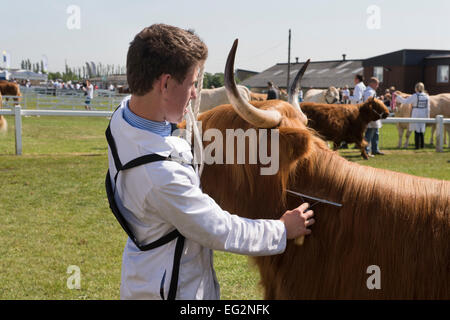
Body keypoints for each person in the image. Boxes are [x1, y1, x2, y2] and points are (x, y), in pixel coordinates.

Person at [106, 24, 315, 300]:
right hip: (176, 291)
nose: (195, 94)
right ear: (165, 84)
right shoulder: (161, 176)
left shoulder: (123, 118)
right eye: (193, 84)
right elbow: (219, 230)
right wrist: (282, 229)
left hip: (147, 271)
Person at [394, 82, 430, 149]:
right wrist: (427, 116)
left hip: (416, 112)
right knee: (421, 130)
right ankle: (422, 145)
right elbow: (428, 107)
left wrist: (398, 97)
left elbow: (406, 102)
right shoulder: (426, 96)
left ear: (416, 88)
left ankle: (417, 146)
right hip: (423, 113)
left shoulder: (415, 95)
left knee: (416, 130)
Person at [363, 77, 384, 156]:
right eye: (377, 84)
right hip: (371, 114)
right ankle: (366, 151)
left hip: (373, 114)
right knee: (369, 133)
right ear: (372, 83)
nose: (377, 86)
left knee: (375, 132)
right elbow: (370, 103)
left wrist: (378, 99)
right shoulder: (369, 91)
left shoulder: (370, 91)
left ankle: (375, 149)